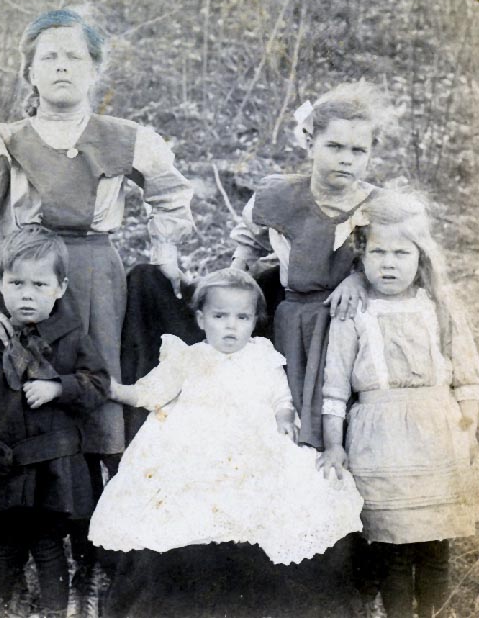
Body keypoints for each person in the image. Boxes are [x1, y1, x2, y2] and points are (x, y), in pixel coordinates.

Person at [0, 8, 194, 613]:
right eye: (47, 56)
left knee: (98, 414)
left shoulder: (127, 136)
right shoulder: (3, 142)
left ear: (95, 69)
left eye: (74, 56)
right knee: (29, 417)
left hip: (99, 283)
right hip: (28, 283)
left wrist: (164, 251)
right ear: (29, 70)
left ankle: (93, 568)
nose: (60, 66)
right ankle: (26, 545)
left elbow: (172, 195)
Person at [88, 269, 363, 574]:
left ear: (254, 321)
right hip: (197, 438)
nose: (231, 326)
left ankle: (248, 551)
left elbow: (280, 395)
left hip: (251, 435)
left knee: (284, 482)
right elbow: (152, 392)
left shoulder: (262, 354)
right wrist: (116, 390)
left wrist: (284, 415)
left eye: (242, 318)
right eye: (220, 317)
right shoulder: (189, 357)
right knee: (186, 487)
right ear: (201, 320)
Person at [318, 188, 479, 618]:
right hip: (382, 446)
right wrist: (333, 444)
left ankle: (433, 613)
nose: (389, 263)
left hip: (438, 440)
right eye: (378, 252)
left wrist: (467, 433)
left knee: (435, 546)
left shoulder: (439, 306)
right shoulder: (354, 310)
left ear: (420, 255)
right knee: (394, 549)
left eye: (401, 253)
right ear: (362, 255)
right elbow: (335, 386)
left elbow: (467, 377)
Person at [0, 226, 110, 617]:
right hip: (1, 464)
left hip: (52, 468)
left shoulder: (72, 338)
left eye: (39, 284)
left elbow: (98, 384)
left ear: (60, 288)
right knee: (1, 546)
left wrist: (59, 388)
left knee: (48, 546)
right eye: (16, 283)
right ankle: (0, 607)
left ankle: (53, 610)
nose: (27, 294)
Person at [230, 81, 398, 450]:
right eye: (334, 146)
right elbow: (249, 238)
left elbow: (398, 260)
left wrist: (359, 278)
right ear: (310, 143)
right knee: (292, 410)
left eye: (357, 150)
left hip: (352, 323)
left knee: (344, 412)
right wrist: (239, 270)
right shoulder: (282, 195)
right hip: (296, 321)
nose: (346, 159)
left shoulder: (380, 206)